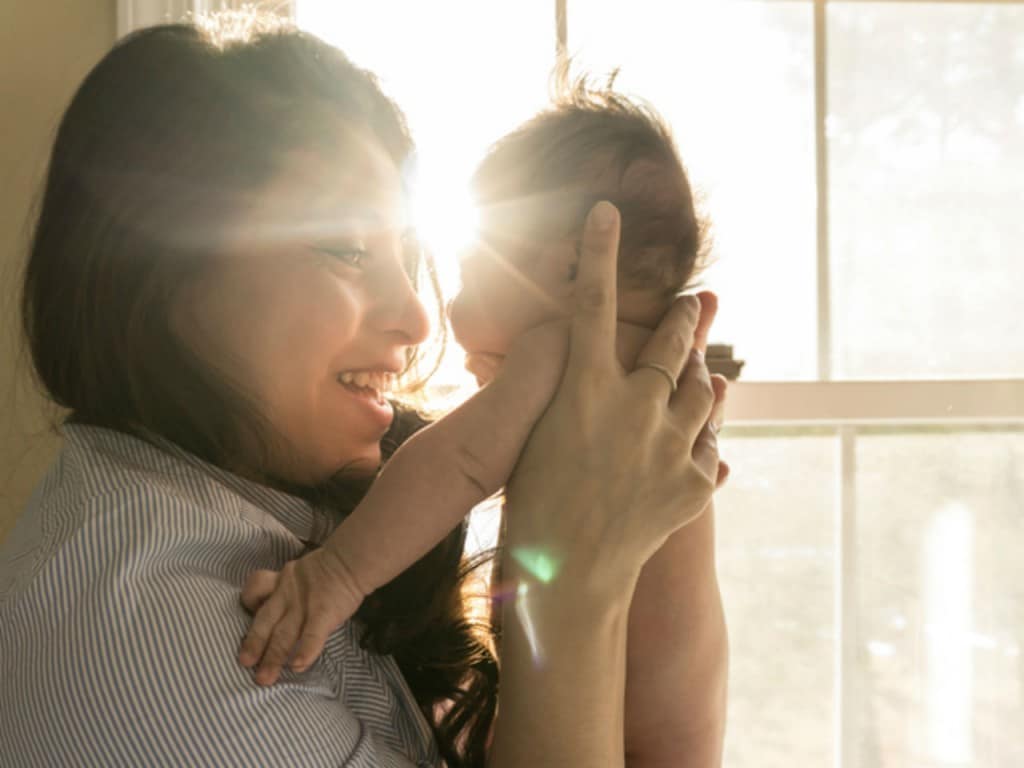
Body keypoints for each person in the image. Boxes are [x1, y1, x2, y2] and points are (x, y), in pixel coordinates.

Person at [0, 14, 724, 768]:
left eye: (406, 253)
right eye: (346, 247)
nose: (418, 317)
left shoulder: (273, 513)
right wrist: (575, 587)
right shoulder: (156, 652)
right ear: (153, 270)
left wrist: (346, 574)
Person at [239, 78, 730, 766]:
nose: (444, 311)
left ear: (573, 267)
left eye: (472, 271)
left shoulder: (561, 355)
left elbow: (457, 463)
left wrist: (337, 575)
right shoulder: (653, 384)